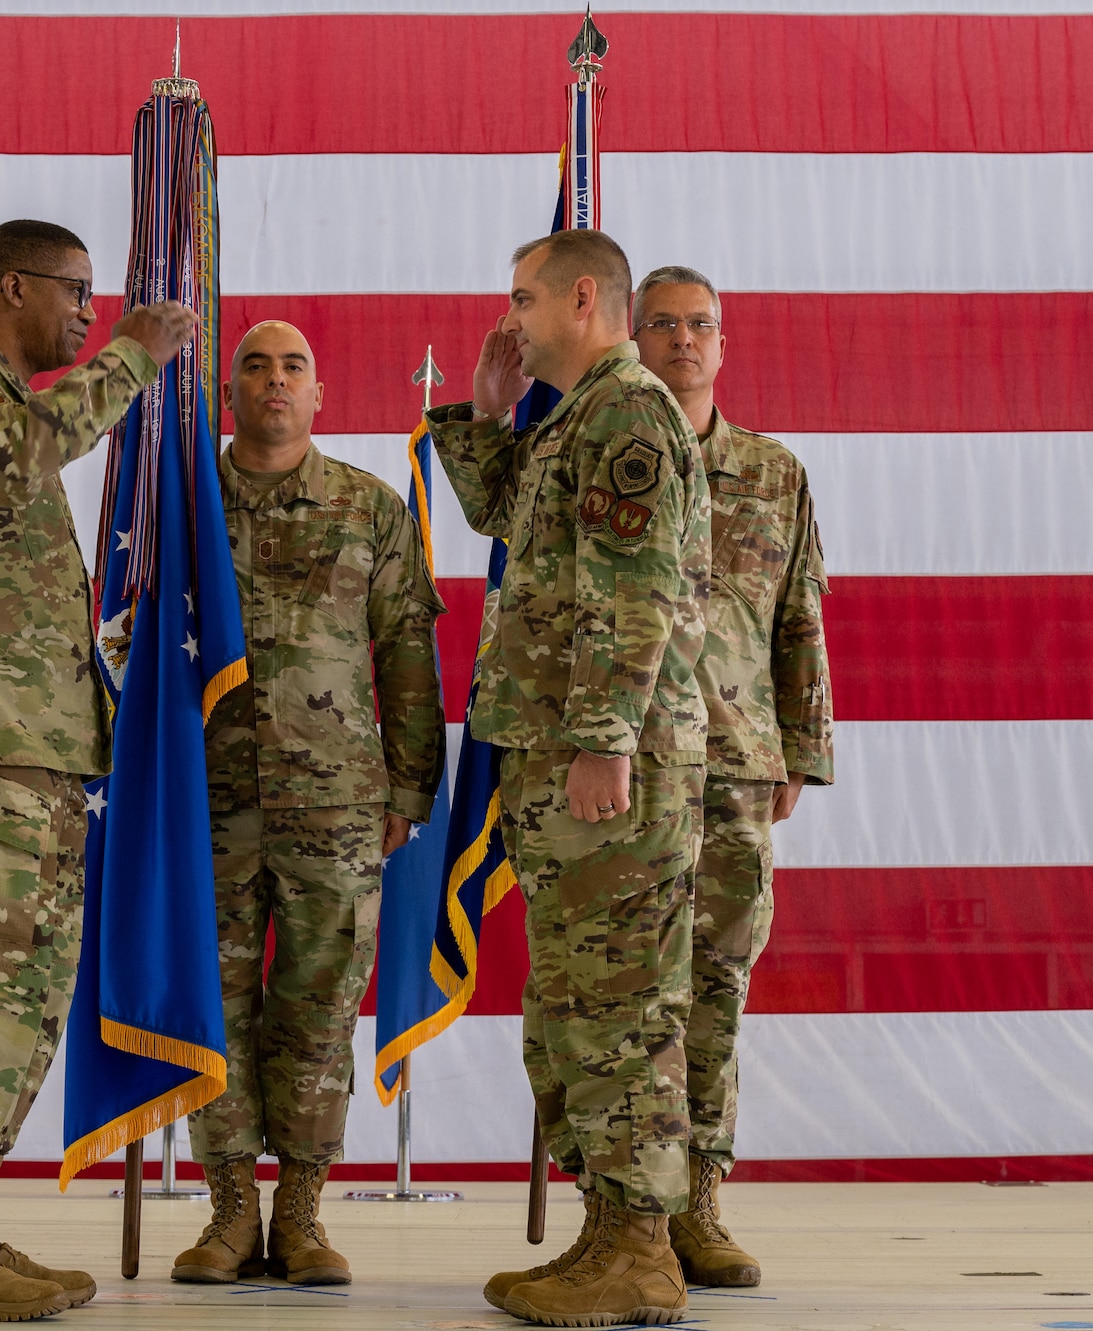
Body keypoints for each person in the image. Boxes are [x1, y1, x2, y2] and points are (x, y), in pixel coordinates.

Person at [0, 218, 195, 1322]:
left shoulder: (3, 399)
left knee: (20, 990)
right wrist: (133, 358)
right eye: (75, 293)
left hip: (30, 745)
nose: (88, 314)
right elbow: (11, 464)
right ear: (10, 286)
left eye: (97, 300)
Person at [427, 231, 710, 1327]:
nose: (510, 318)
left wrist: (601, 736)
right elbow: (505, 522)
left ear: (581, 298)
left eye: (522, 299)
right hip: (556, 753)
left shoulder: (628, 414)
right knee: (572, 1005)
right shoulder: (573, 418)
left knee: (621, 1002)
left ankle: (640, 1247)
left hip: (605, 765)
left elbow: (631, 592)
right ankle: (609, 1229)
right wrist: (485, 413)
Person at [171, 321, 447, 1287]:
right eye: (254, 364)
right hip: (207, 800)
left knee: (321, 1004)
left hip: (338, 802)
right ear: (230, 390)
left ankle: (301, 1209)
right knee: (217, 999)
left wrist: (412, 784)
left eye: (293, 367)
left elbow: (408, 650)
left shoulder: (368, 508)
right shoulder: (179, 505)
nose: (274, 380)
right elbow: (129, 639)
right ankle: (229, 1211)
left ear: (319, 393)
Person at [635, 266, 833, 1287]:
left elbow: (795, 613)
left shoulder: (770, 470)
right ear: (630, 338)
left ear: (723, 343)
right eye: (661, 324)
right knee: (626, 994)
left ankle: (698, 1202)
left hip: (732, 766)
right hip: (617, 771)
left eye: (698, 325)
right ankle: (621, 1208)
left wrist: (799, 746)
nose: (681, 340)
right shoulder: (603, 455)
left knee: (711, 990)